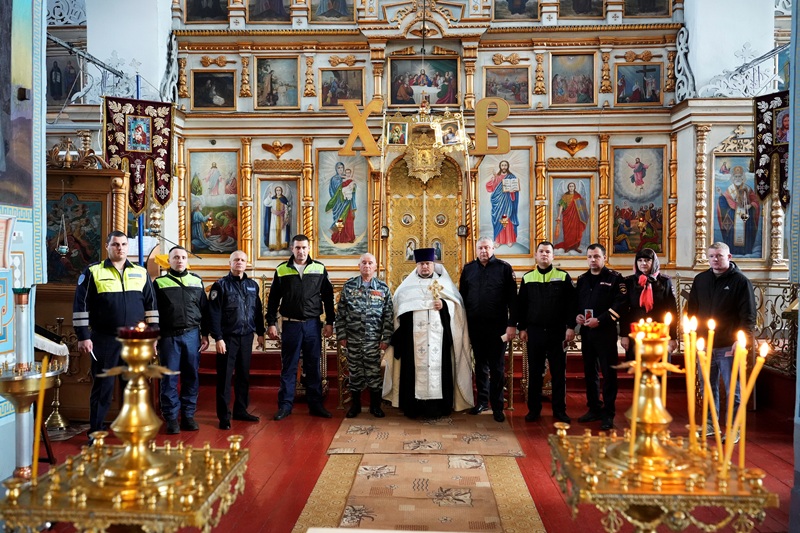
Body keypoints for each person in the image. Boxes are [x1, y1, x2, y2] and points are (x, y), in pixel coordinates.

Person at [72, 231, 159, 440]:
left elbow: (151, 306)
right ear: (107, 247)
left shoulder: (140, 272)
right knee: (103, 388)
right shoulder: (93, 271)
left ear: (128, 247)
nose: (119, 248)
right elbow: (80, 305)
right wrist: (83, 336)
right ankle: (96, 432)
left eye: (123, 244)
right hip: (104, 339)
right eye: (115, 244)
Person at [383, 248, 473, 419]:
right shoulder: (405, 289)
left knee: (440, 371)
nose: (425, 267)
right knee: (413, 373)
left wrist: (444, 306)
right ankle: (413, 408)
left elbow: (458, 308)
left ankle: (438, 408)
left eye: (428, 264)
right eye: (422, 264)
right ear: (417, 265)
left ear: (434, 265)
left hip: (439, 341)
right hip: (413, 342)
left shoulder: (444, 286)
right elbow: (397, 314)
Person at [686, 242, 756, 443]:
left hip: (728, 344)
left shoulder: (741, 282)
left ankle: (734, 428)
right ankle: (710, 424)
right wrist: (693, 335)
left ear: (729, 256)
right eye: (711, 256)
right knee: (707, 386)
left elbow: (748, 315)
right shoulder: (701, 279)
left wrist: (742, 339)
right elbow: (692, 310)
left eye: (719, 256)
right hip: (705, 344)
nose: (715, 260)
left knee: (733, 388)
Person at [266, 234, 336, 421]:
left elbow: (328, 298)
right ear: (292, 249)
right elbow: (273, 299)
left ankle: (316, 405)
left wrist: (330, 322)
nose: (301, 251)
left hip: (313, 325)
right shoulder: (282, 270)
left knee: (313, 367)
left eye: (304, 248)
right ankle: (285, 406)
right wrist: (271, 323)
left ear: (308, 248)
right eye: (297, 248)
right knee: (288, 367)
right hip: (290, 326)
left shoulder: (319, 268)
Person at [516, 241, 576, 423]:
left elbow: (571, 305)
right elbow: (522, 306)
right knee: (535, 373)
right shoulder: (528, 278)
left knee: (558, 373)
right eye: (541, 251)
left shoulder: (563, 276)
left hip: (557, 332)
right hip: (534, 332)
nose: (544, 254)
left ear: (553, 256)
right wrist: (522, 328)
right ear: (535, 255)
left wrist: (571, 327)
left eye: (547, 252)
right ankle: (534, 410)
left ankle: (559, 411)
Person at [459, 238, 517, 422]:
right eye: (480, 248)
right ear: (476, 250)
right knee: (480, 367)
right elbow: (462, 298)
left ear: (493, 248)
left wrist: (512, 325)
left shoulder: (504, 268)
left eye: (487, 247)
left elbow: (512, 300)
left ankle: (497, 406)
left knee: (497, 368)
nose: (484, 251)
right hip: (475, 327)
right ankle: (482, 402)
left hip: (498, 327)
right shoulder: (468, 269)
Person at [153, 245, 209, 434]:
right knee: (168, 378)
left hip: (192, 335)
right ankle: (170, 418)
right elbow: (153, 313)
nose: (179, 260)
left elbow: (205, 309)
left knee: (191, 376)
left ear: (187, 260)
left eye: (183, 257)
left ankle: (188, 415)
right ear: (169, 261)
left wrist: (205, 334)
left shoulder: (196, 281)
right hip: (169, 336)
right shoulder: (159, 283)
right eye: (175, 257)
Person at [208, 250, 265, 430]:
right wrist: (218, 338)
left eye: (242, 260)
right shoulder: (220, 286)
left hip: (247, 337)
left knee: (243, 376)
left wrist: (261, 333)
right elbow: (214, 314)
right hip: (228, 338)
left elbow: (257, 311)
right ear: (230, 263)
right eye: (236, 260)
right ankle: (224, 416)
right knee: (225, 378)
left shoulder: (253, 285)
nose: (239, 262)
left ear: (247, 263)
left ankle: (241, 410)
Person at [575, 243, 627, 431]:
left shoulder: (615, 279)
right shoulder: (582, 279)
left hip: (605, 331)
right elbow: (577, 303)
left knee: (608, 373)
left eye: (596, 256)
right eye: (589, 256)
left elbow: (620, 304)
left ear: (604, 258)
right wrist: (578, 315)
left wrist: (601, 320)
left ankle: (608, 413)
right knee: (590, 372)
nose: (592, 260)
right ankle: (594, 408)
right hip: (587, 332)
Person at [336, 253, 394, 418]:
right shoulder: (349, 286)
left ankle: (375, 406)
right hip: (352, 340)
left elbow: (388, 316)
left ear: (376, 266)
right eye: (364, 263)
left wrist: (385, 339)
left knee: (373, 374)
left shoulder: (382, 288)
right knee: (355, 373)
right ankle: (355, 406)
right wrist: (341, 335)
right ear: (359, 266)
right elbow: (340, 314)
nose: (367, 266)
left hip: (374, 341)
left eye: (370, 263)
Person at [618, 249, 678, 361]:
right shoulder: (629, 282)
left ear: (654, 262)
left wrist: (673, 336)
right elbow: (624, 311)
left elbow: (672, 310)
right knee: (638, 368)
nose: (643, 263)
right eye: (640, 260)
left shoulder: (665, 281)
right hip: (636, 329)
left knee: (658, 367)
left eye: (647, 260)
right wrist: (624, 335)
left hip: (659, 329)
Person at [717, 165, 760, 256]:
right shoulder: (729, 190)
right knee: (732, 234)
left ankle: (746, 251)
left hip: (746, 218)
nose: (737, 178)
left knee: (747, 233)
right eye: (736, 176)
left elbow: (755, 202)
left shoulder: (748, 189)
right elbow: (724, 202)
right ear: (733, 178)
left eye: (739, 176)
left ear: (743, 177)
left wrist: (750, 205)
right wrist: (721, 196)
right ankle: (732, 252)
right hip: (733, 218)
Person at [485, 160, 520, 246]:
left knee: (508, 218)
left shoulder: (511, 177)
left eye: (505, 165)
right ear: (500, 167)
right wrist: (493, 179)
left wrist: (512, 191)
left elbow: (515, 189)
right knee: (498, 219)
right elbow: (491, 188)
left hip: (508, 201)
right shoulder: (497, 177)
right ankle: (498, 240)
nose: (504, 167)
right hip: (498, 202)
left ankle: (509, 239)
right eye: (502, 165)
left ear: (507, 166)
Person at [325, 162, 357, 243]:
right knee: (339, 220)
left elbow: (352, 189)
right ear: (336, 169)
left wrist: (352, 186)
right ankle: (337, 237)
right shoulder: (334, 179)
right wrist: (337, 199)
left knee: (348, 220)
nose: (340, 169)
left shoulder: (346, 177)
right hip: (338, 204)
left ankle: (349, 237)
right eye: (338, 168)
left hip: (347, 203)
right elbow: (332, 191)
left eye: (342, 168)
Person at [553, 182, 589, 253]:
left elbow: (582, 207)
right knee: (567, 232)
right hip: (567, 216)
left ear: (575, 187)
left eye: (572, 186)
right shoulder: (565, 196)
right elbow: (561, 206)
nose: (571, 188)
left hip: (576, 218)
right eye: (570, 186)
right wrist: (559, 215)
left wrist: (584, 215)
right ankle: (567, 247)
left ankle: (575, 247)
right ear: (568, 188)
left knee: (576, 232)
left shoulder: (578, 195)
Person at [263, 185, 291, 251]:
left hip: (282, 217)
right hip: (274, 217)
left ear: (282, 191)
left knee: (283, 230)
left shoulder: (284, 199)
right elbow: (266, 203)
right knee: (273, 231)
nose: (278, 191)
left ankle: (283, 245)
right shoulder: (273, 198)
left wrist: (286, 215)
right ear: (275, 191)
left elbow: (287, 207)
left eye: (279, 190)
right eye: (277, 190)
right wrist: (269, 196)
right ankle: (273, 246)